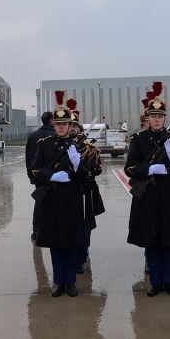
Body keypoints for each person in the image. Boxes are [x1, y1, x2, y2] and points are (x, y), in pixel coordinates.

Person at [123, 86, 170, 297]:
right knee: (151, 240)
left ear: (164, 118)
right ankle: (155, 281)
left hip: (169, 194)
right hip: (148, 195)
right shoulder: (138, 140)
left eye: (160, 116)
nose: (157, 120)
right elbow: (129, 168)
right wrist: (149, 169)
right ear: (148, 118)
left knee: (169, 240)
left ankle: (169, 281)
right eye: (153, 116)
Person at [30, 94, 98, 296]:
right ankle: (58, 282)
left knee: (72, 241)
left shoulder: (80, 147)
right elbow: (35, 170)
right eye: (58, 124)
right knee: (56, 243)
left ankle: (71, 282)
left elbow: (88, 174)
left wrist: (77, 164)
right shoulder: (44, 144)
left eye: (64, 124)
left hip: (73, 200)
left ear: (70, 125)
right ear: (54, 124)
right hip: (52, 200)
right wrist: (52, 176)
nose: (61, 127)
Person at [67, 102, 104, 275]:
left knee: (85, 226)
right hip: (67, 192)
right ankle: (72, 257)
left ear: (80, 128)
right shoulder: (60, 146)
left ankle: (82, 257)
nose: (72, 128)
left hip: (85, 191)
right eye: (70, 125)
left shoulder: (89, 149)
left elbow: (97, 169)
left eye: (75, 126)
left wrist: (82, 169)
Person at [25, 111, 55, 241]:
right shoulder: (54, 136)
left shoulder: (32, 136)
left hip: (37, 176)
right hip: (52, 176)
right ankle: (52, 230)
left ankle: (36, 231)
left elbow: (28, 157)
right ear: (51, 121)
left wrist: (31, 174)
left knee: (39, 203)